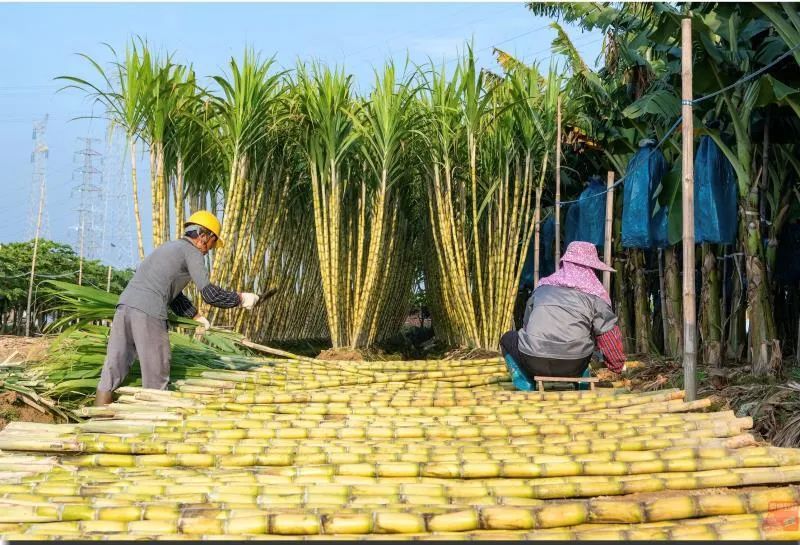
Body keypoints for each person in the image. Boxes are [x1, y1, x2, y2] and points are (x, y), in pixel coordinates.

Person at [95, 211, 260, 405]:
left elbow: (171, 292)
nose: (209, 250)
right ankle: (153, 427)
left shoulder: (168, 248)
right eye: (213, 244)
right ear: (203, 236)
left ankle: (96, 418)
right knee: (156, 377)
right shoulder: (193, 252)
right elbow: (210, 295)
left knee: (113, 369)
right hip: (149, 312)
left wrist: (195, 316)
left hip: (124, 308)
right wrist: (240, 299)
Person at [499, 241, 626, 388]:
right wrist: (617, 365)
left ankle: (525, 382)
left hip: (533, 360)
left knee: (507, 338)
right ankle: (581, 383)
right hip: (574, 364)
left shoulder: (542, 288)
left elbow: (527, 326)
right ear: (591, 268)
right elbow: (608, 335)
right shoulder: (595, 297)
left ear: (565, 264)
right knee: (586, 339)